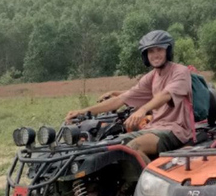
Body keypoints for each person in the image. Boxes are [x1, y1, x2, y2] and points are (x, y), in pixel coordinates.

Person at [65, 30, 193, 163]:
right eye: (150, 51)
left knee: (133, 148)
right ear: (145, 55)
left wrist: (142, 110)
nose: (155, 55)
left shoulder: (180, 72)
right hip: (154, 127)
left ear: (168, 51)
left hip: (175, 130)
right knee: (112, 145)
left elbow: (165, 95)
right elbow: (120, 100)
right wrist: (82, 111)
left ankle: (152, 182)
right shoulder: (151, 77)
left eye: (159, 50)